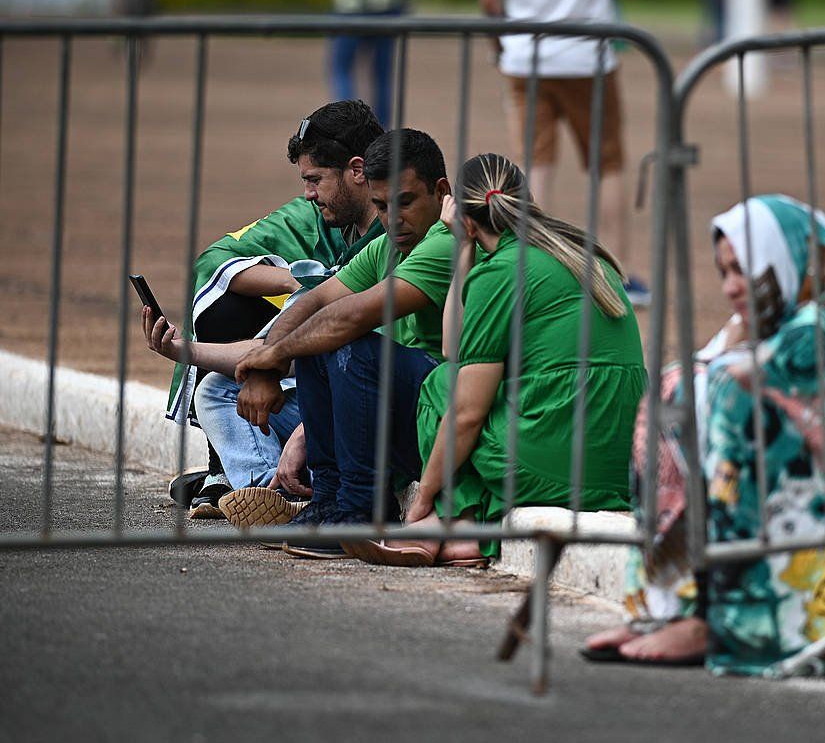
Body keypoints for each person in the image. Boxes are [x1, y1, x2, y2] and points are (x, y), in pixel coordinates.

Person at [583, 194, 825, 672]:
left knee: (735, 399)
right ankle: (664, 607)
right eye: (724, 272)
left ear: (783, 261)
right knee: (671, 393)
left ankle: (737, 619)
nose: (731, 287)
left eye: (743, 269)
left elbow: (764, 386)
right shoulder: (777, 313)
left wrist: (725, 369)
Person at [341, 153, 646, 567]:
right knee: (480, 390)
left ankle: (441, 522)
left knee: (441, 387)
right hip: (614, 467)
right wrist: (465, 252)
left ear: (463, 219)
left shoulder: (502, 270)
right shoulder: (582, 253)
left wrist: (423, 499)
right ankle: (465, 533)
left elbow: (462, 401)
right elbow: (456, 345)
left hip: (558, 460)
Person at [223, 128, 453, 559]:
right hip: (416, 414)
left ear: (441, 192)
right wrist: (265, 368)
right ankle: (329, 501)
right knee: (318, 341)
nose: (392, 219)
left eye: (406, 202)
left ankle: (360, 509)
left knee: (348, 344)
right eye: (382, 206)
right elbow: (314, 301)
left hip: (451, 416)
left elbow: (351, 315)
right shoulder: (388, 244)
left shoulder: (446, 240)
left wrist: (276, 354)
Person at [156, 100, 386, 517]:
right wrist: (181, 351)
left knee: (339, 351)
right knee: (217, 386)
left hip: (381, 401)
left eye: (315, 179)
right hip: (332, 390)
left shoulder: (397, 243)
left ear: (357, 170)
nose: (308, 194)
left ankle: (267, 481)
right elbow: (222, 269)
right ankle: (270, 496)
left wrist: (303, 430)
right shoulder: (333, 226)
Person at [475, 0, 652, 307]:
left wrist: (501, 47)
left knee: (533, 162)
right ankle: (619, 273)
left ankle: (528, 268)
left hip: (527, 53)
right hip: (589, 53)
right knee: (608, 162)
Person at [327, 0, 419, 127]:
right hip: (388, 2)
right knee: (382, 75)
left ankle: (347, 126)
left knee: (342, 69)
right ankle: (380, 134)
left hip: (351, 3)